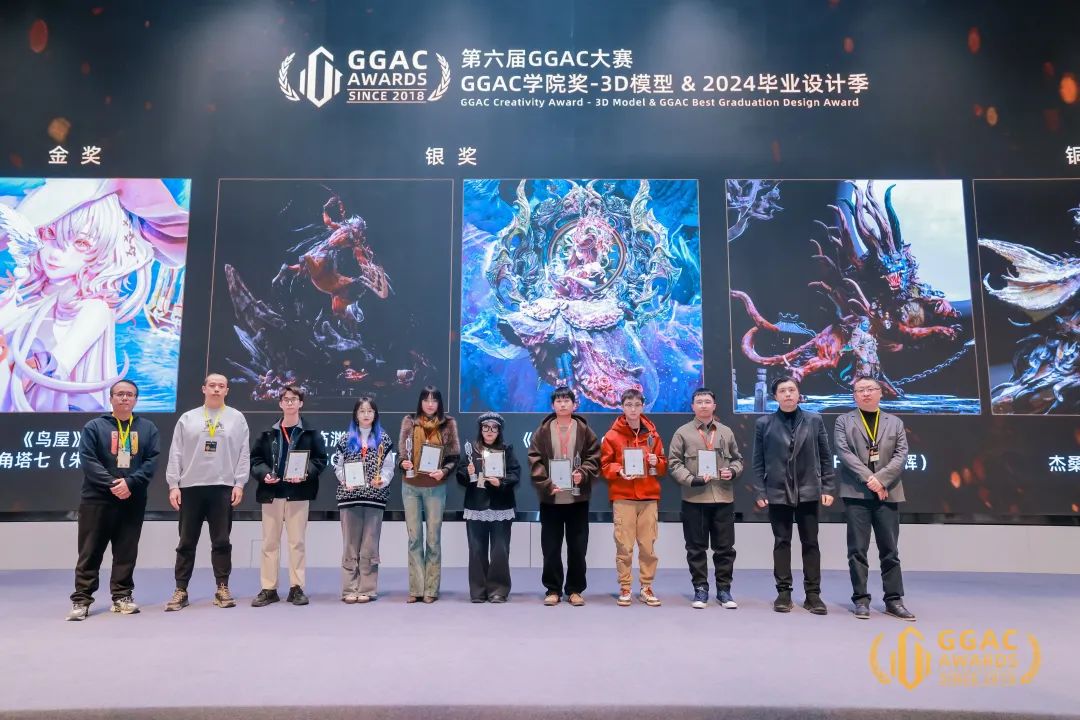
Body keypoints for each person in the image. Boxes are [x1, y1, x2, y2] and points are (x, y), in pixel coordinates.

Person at [0, 178, 188, 412]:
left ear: (105, 248)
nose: (57, 254)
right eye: (49, 234)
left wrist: (19, 369)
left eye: (81, 243)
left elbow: (58, 363)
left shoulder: (94, 308)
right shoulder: (25, 291)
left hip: (42, 407)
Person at [67, 379, 160, 620]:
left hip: (132, 499)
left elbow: (151, 462)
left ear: (136, 400)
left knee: (126, 551)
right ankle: (81, 600)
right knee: (90, 551)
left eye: (130, 394)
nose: (125, 398)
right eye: (120, 394)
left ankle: (121, 596)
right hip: (97, 500)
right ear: (111, 398)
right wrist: (113, 484)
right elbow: (88, 460)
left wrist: (130, 483)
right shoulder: (94, 426)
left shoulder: (148, 428)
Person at [164, 373, 250, 611]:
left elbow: (244, 453)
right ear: (204, 389)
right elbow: (176, 452)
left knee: (221, 541)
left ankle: (222, 588)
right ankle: (181, 590)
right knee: (186, 542)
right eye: (212, 385)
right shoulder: (188, 418)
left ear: (227, 391)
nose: (216, 389)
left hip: (222, 486)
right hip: (190, 487)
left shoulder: (236, 418)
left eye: (221, 386)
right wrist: (173, 485)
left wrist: (239, 483)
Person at [751, 376, 835, 615]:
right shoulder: (764, 423)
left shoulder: (814, 420)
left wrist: (828, 487)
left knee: (811, 543)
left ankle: (813, 595)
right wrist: (760, 490)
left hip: (809, 490)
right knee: (781, 541)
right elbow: (758, 461)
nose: (787, 394)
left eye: (791, 390)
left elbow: (825, 456)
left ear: (798, 394)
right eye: (782, 391)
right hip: (777, 491)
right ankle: (783, 592)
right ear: (775, 396)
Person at [835, 375, 915, 621]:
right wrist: (871, 480)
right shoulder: (843, 421)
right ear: (854, 395)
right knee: (857, 550)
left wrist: (882, 480)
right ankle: (861, 600)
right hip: (856, 493)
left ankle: (894, 600)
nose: (866, 393)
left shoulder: (895, 422)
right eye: (860, 390)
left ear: (881, 392)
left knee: (890, 549)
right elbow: (844, 453)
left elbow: (901, 455)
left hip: (888, 493)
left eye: (870, 389)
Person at [249, 385, 327, 607]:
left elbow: (320, 461)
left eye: (294, 399)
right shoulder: (267, 432)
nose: (290, 402)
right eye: (286, 399)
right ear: (280, 403)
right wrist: (264, 474)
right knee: (269, 543)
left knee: (297, 543)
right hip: (271, 494)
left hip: (298, 494)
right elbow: (255, 460)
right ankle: (269, 588)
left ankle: (296, 587)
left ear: (301, 403)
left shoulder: (311, 433)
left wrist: (305, 473)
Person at [669, 387, 743, 610]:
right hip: (694, 499)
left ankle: (724, 590)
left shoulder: (726, 432)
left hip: (723, 498)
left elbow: (738, 460)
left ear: (714, 406)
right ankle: (700, 588)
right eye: (699, 402)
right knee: (695, 548)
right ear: (692, 406)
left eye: (707, 401)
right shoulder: (682, 433)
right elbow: (674, 463)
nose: (703, 405)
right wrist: (692, 480)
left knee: (725, 549)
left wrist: (733, 471)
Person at [528, 386, 601, 607]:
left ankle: (575, 590)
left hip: (577, 499)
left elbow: (594, 457)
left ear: (574, 405)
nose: (562, 404)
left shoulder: (584, 430)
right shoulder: (542, 431)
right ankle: (552, 589)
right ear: (552, 405)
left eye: (566, 400)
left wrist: (583, 473)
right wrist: (546, 484)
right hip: (551, 499)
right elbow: (534, 460)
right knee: (550, 548)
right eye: (558, 401)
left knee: (578, 548)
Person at [599, 388, 669, 607]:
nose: (633, 409)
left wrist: (657, 462)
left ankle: (647, 586)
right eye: (629, 405)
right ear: (622, 407)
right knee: (624, 546)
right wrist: (619, 470)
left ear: (643, 407)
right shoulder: (612, 436)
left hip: (648, 497)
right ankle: (625, 586)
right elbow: (605, 465)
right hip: (623, 497)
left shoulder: (653, 435)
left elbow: (663, 465)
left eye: (637, 405)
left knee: (648, 547)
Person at [398, 386, 460, 603]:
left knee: (433, 539)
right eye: (426, 400)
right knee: (414, 538)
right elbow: (401, 455)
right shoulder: (409, 422)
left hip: (436, 487)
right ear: (420, 402)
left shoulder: (448, 423)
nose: (430, 404)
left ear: (439, 403)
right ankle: (416, 588)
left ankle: (431, 589)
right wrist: (402, 463)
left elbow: (454, 457)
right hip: (410, 486)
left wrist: (444, 471)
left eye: (434, 400)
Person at [333, 396, 395, 603]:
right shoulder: (345, 439)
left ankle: (367, 588)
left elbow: (388, 468)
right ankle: (349, 589)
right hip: (349, 498)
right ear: (356, 415)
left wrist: (382, 481)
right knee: (350, 546)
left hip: (374, 498)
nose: (366, 414)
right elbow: (338, 466)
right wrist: (345, 480)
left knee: (369, 545)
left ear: (375, 415)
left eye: (370, 411)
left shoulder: (383, 439)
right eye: (362, 411)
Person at [457, 412, 520, 603]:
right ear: (481, 430)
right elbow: (460, 476)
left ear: (499, 431)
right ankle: (478, 590)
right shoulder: (471, 450)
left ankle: (498, 590)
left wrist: (500, 482)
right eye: (486, 427)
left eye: (494, 428)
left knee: (500, 550)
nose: (489, 431)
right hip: (476, 506)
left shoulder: (507, 450)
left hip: (501, 506)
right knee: (476, 549)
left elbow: (515, 474)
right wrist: (467, 473)